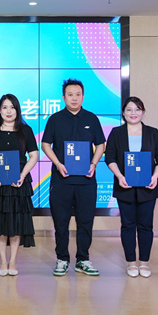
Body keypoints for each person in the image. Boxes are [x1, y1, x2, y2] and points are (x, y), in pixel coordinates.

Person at [41, 78, 105, 277]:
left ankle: (83, 259)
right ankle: (62, 259)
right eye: (70, 95)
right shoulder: (55, 119)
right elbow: (45, 145)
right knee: (61, 222)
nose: (74, 98)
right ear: (63, 97)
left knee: (86, 221)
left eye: (78, 94)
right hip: (62, 180)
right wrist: (58, 164)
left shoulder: (91, 119)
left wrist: (93, 164)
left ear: (83, 96)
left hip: (86, 180)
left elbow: (101, 144)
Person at [105, 97, 158, 278]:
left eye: (137, 109)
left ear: (143, 112)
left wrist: (155, 177)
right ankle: (131, 263)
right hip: (124, 186)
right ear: (123, 113)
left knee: (146, 226)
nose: (133, 113)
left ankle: (144, 263)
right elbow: (110, 158)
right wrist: (119, 176)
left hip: (148, 187)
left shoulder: (153, 133)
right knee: (128, 225)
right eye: (129, 109)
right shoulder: (116, 133)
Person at [0, 94, 38, 276]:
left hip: (18, 183)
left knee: (16, 222)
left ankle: (13, 262)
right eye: (5, 107)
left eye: (12, 107)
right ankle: (3, 262)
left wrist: (22, 175)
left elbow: (34, 155)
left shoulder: (25, 131)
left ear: (17, 110)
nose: (9, 111)